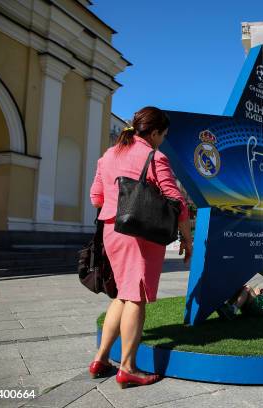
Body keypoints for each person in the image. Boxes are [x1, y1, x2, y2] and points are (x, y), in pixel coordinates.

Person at [87, 107, 193, 388]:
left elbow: (95, 196)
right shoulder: (154, 156)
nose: (163, 141)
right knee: (136, 298)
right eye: (163, 135)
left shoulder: (109, 154)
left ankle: (100, 358)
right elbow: (177, 203)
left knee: (122, 295)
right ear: (155, 132)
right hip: (140, 232)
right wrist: (188, 239)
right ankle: (128, 367)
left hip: (111, 229)